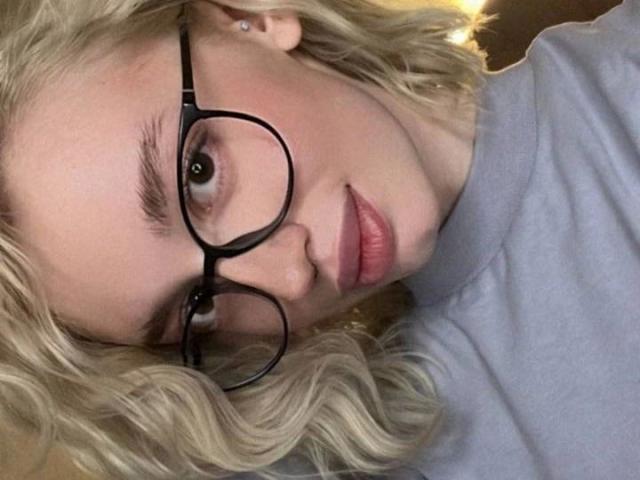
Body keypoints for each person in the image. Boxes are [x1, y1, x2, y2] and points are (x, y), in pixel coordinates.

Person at [0, 0, 488, 478]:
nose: (290, 277)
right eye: (199, 306)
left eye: (200, 172)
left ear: (249, 17)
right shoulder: (400, 448)